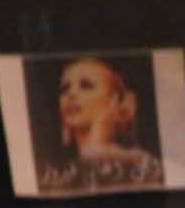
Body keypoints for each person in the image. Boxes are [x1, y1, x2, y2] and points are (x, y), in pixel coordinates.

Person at [39, 56, 163, 193]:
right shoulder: (52, 169)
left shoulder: (139, 163)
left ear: (114, 100)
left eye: (86, 86)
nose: (71, 93)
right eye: (64, 88)